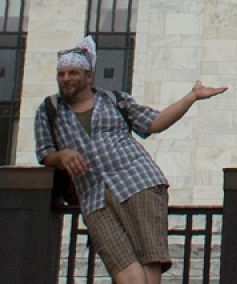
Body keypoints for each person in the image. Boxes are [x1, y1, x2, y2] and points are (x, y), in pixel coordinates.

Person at [35, 35, 226, 284]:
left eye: (73, 73)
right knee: (127, 274)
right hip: (93, 197)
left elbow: (154, 122)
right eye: (62, 74)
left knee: (149, 266)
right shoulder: (49, 109)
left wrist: (192, 97)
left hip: (138, 181)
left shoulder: (115, 100)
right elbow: (44, 153)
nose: (66, 79)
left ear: (88, 76)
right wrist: (62, 156)